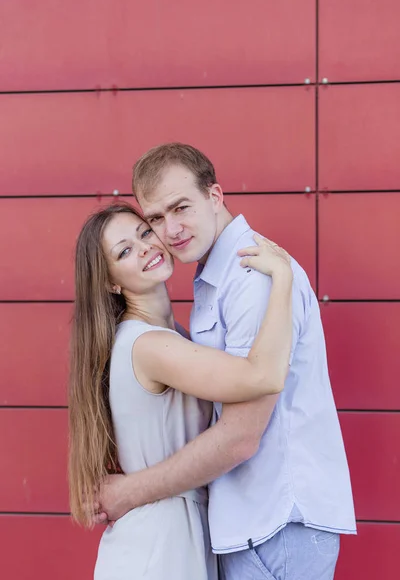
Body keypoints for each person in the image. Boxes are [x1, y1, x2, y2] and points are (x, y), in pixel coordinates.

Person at [94, 143, 357, 580]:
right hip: (251, 525)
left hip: (276, 523)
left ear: (215, 196)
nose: (170, 230)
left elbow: (240, 434)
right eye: (155, 219)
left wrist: (129, 492)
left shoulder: (253, 276)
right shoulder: (211, 282)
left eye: (181, 207)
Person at [68, 201, 294, 580]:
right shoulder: (149, 345)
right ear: (111, 282)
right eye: (124, 251)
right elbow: (262, 377)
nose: (144, 248)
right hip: (158, 544)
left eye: (144, 233)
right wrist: (284, 279)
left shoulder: (173, 338)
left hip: (170, 532)